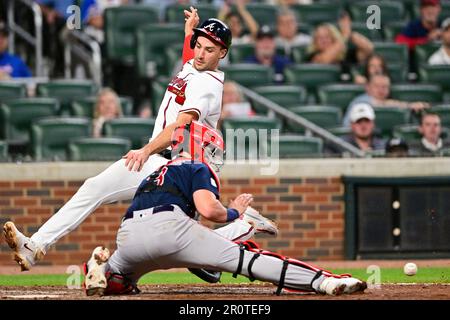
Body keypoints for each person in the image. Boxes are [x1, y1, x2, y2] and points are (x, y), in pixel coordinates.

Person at [2, 9, 277, 276]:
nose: (200, 53)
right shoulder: (195, 65)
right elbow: (189, 66)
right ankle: (35, 246)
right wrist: (188, 35)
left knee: (192, 249)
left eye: (209, 49)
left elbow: (180, 126)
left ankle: (245, 223)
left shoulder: (208, 86)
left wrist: (145, 150)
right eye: (199, 46)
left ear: (223, 53)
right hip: (162, 160)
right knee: (95, 187)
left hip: (178, 167)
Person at [82, 121, 367, 297]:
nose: (214, 157)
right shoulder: (196, 166)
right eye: (212, 150)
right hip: (171, 231)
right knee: (249, 261)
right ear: (200, 147)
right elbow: (209, 211)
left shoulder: (152, 174)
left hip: (129, 235)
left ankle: (102, 269)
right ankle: (323, 282)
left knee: (120, 281)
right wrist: (233, 212)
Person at [343, 74, 430, 126]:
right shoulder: (360, 101)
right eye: (377, 86)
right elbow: (346, 125)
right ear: (368, 88)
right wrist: (408, 105)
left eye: (384, 87)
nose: (381, 90)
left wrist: (410, 106)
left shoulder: (388, 102)